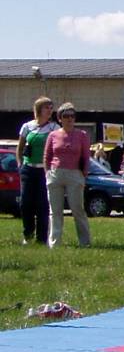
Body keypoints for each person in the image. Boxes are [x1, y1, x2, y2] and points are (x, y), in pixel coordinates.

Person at [43, 103, 91, 248]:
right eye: (66, 116)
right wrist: (47, 173)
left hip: (75, 174)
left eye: (72, 116)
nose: (70, 119)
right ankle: (54, 243)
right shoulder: (53, 135)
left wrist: (83, 174)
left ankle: (85, 242)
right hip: (55, 173)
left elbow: (86, 157)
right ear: (60, 119)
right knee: (55, 211)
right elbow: (47, 156)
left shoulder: (82, 135)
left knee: (78, 209)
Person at [17, 96, 59, 244]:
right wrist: (20, 163)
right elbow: (20, 147)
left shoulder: (54, 128)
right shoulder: (27, 126)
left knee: (43, 204)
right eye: (47, 107)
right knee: (25, 202)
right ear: (39, 109)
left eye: (51, 108)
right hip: (28, 169)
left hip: (45, 171)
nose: (49, 110)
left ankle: (42, 238)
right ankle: (27, 234)